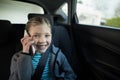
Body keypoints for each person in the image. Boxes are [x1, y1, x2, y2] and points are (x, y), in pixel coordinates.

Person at [9, 16, 76, 80]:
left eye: (47, 35)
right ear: (27, 36)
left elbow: (71, 75)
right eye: (36, 36)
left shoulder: (57, 54)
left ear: (51, 36)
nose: (42, 41)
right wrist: (25, 54)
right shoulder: (17, 58)